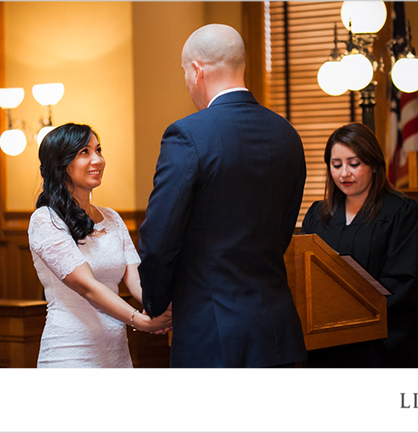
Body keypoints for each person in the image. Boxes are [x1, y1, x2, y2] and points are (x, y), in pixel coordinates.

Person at [138, 24, 307, 368]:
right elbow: (283, 229)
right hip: (279, 331)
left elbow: (159, 238)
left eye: (185, 72)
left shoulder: (188, 134)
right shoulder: (287, 134)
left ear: (197, 70)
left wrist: (157, 303)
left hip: (212, 334)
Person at [28, 123, 172, 368]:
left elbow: (136, 277)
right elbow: (87, 286)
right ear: (60, 163)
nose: (98, 159)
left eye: (98, 150)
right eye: (84, 152)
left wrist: (159, 310)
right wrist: (139, 320)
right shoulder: (45, 219)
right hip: (71, 352)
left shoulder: (112, 218)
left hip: (116, 352)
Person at [301, 123, 418, 368]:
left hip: (378, 346)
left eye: (354, 163)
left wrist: (357, 317)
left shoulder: (402, 213)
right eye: (336, 165)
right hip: (326, 342)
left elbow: (406, 284)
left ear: (373, 165)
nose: (344, 174)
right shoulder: (318, 215)